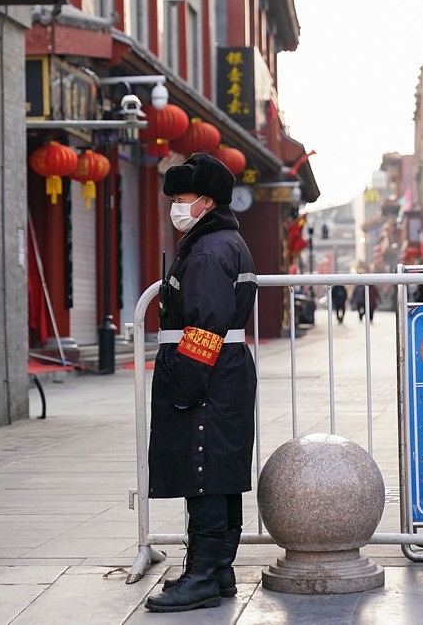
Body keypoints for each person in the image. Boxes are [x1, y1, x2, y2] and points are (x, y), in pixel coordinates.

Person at [145, 153, 257, 613]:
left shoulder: (209, 250)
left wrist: (185, 387)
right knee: (219, 470)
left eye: (182, 197)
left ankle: (204, 577)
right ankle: (217, 570)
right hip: (226, 372)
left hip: (208, 377)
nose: (175, 205)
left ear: (206, 201)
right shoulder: (223, 241)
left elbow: (205, 326)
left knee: (203, 470)